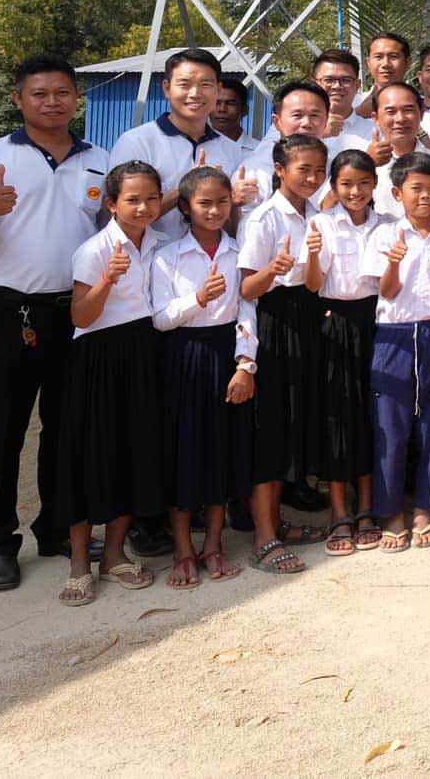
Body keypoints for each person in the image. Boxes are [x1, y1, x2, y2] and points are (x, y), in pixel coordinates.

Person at [0, 55, 111, 592]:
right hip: (7, 310)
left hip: (75, 311)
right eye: (40, 93)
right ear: (20, 99)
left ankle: (58, 529)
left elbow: (110, 229)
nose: (52, 102)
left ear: (76, 98)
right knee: (1, 433)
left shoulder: (99, 159)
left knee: (69, 430)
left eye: (62, 92)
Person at [58, 160, 167, 606]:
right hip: (98, 356)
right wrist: (108, 278)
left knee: (131, 450)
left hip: (142, 351)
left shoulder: (162, 244)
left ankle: (115, 555)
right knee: (88, 454)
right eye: (132, 199)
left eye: (152, 198)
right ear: (111, 204)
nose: (143, 207)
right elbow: (81, 316)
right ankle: (80, 562)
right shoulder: (95, 249)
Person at [237, 134, 332, 574]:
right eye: (303, 170)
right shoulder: (263, 219)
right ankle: (262, 537)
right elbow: (245, 289)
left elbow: (313, 284)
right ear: (279, 168)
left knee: (292, 426)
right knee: (269, 431)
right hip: (274, 324)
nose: (312, 178)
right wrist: (274, 271)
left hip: (307, 320)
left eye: (318, 170)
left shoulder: (317, 215)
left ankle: (278, 522)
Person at [152, 164, 250, 587]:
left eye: (222, 202)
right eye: (204, 203)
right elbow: (160, 319)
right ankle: (182, 548)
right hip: (183, 357)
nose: (214, 211)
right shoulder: (168, 257)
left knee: (220, 451)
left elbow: (248, 313)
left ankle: (214, 544)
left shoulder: (238, 252)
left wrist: (246, 364)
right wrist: (197, 299)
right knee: (184, 451)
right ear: (186, 208)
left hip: (226, 356)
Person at [365, 153, 430, 552]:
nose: (425, 196)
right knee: (391, 425)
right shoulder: (385, 236)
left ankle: (426, 507)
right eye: (416, 189)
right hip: (394, 335)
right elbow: (385, 293)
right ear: (397, 193)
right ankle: (391, 512)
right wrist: (393, 265)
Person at [310, 149, 389, 553]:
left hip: (377, 320)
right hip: (334, 322)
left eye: (363, 182)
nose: (355, 191)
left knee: (371, 413)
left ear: (375, 184)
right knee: (339, 415)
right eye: (345, 184)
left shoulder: (389, 226)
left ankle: (368, 507)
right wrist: (309, 253)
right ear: (333, 186)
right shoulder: (321, 223)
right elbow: (311, 284)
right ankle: (340, 510)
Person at [109, 47, 247, 242]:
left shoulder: (230, 148)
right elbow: (121, 219)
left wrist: (235, 202)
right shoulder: (136, 143)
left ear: (217, 89)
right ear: (167, 88)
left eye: (205, 84)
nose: (195, 93)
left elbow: (233, 227)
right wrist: (186, 187)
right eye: (184, 84)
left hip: (214, 264)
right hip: (151, 263)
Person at [235, 80, 340, 195]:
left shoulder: (337, 165)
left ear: (326, 120)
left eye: (315, 115)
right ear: (277, 121)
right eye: (297, 115)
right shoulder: (255, 171)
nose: (306, 123)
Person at [369, 81, 430, 215]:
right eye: (390, 111)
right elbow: (330, 204)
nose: (400, 119)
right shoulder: (364, 162)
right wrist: (367, 164)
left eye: (408, 110)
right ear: (375, 118)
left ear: (421, 114)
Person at [313, 48, 371, 144]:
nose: (337, 86)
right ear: (314, 84)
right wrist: (320, 134)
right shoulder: (295, 127)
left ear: (357, 85)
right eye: (328, 80)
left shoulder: (375, 131)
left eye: (346, 80)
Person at [352, 32, 413, 119]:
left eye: (393, 56)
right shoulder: (352, 105)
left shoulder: (423, 107)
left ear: (408, 63)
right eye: (378, 57)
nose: (385, 64)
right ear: (368, 63)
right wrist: (357, 116)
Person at [211, 75, 256, 154]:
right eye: (216, 103)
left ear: (245, 110)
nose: (222, 109)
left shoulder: (260, 151)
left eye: (230, 103)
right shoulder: (195, 148)